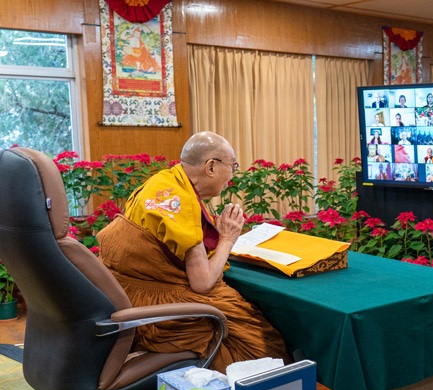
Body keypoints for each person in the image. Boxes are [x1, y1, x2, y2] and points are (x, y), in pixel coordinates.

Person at [96, 131, 290, 374]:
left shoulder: (161, 183)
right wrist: (228, 239)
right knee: (261, 344)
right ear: (211, 167)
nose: (232, 176)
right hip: (156, 311)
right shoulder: (182, 202)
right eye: (233, 166)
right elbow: (202, 283)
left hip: (123, 299)